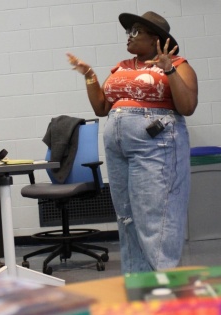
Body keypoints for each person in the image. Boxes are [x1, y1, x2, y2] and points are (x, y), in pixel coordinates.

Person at [66, 11, 198, 273]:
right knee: (127, 217)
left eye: (136, 31)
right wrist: (90, 75)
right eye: (129, 31)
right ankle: (138, 284)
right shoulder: (121, 67)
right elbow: (102, 108)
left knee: (157, 216)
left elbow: (187, 106)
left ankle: (165, 285)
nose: (129, 36)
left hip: (156, 144)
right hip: (119, 147)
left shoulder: (179, 64)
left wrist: (168, 69)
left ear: (155, 39)